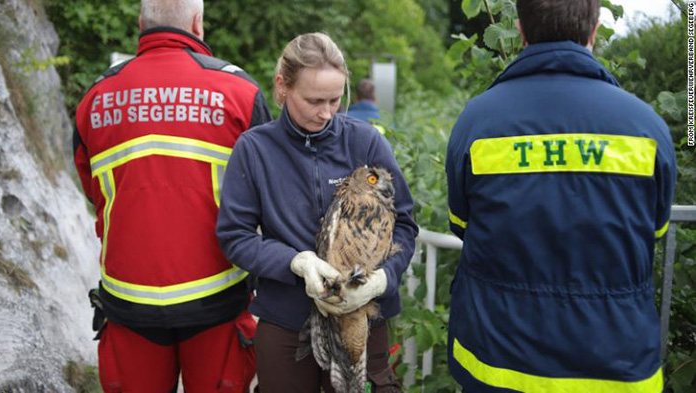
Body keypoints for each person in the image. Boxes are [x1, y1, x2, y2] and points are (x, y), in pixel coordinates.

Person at [445, 1, 676, 392]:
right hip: (615, 365)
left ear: (520, 31)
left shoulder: (478, 121)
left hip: (498, 361)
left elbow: (461, 224)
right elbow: (653, 230)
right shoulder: (645, 126)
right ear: (594, 29)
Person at [73, 0, 271, 391]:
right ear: (197, 22)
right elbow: (266, 194)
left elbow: (93, 190)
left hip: (128, 299)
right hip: (218, 297)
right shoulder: (239, 92)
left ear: (140, 23)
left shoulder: (96, 97)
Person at [216, 32, 418, 392]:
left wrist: (381, 280)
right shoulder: (255, 149)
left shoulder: (365, 141)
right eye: (314, 101)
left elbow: (403, 222)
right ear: (282, 87)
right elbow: (235, 236)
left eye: (335, 100)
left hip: (362, 318)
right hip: (286, 320)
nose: (326, 113)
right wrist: (297, 263)